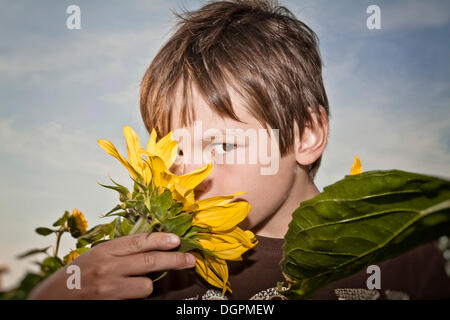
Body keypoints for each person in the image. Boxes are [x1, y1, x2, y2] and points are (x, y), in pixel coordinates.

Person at [29, 0, 450, 300]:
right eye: (173, 150)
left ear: (306, 135)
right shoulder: (158, 273)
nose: (188, 174)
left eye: (224, 144)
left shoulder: (402, 250)